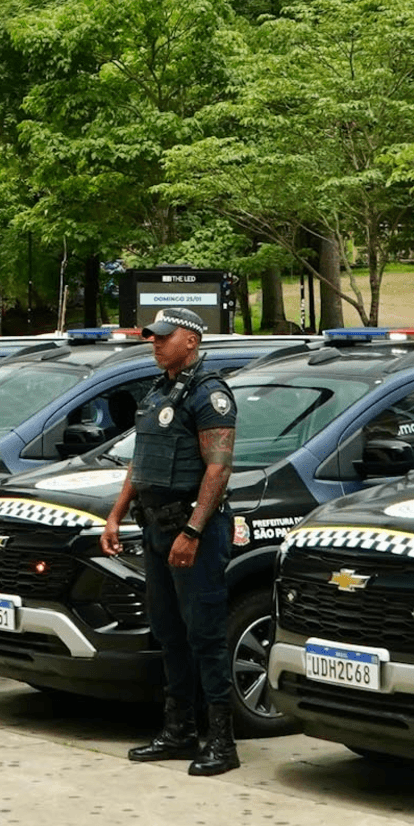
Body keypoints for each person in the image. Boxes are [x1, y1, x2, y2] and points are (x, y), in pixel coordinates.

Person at [100, 306, 239, 777]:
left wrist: (193, 531)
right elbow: (140, 464)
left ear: (192, 341)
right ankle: (178, 731)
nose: (155, 343)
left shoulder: (210, 394)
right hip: (156, 528)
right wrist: (115, 516)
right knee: (169, 632)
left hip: (192, 531)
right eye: (153, 337)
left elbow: (218, 469)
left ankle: (221, 741)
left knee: (205, 634)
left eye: (164, 336)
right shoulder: (158, 391)